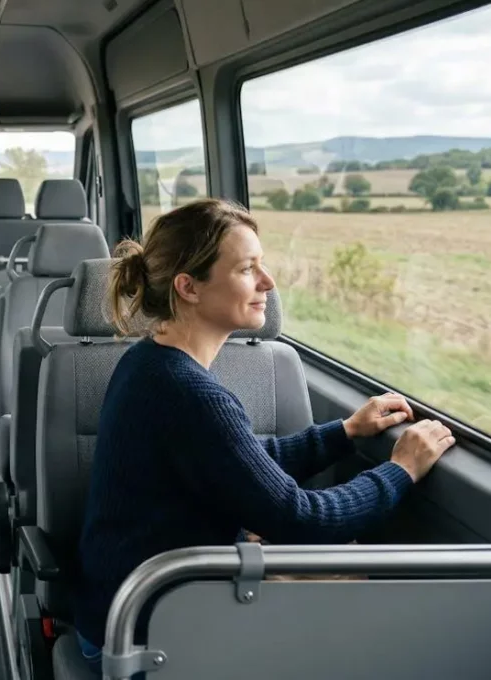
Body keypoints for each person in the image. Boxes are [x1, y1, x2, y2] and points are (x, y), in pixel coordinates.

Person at [72, 198, 455, 674]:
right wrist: (401, 470)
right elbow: (302, 521)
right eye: (248, 269)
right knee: (360, 592)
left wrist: (345, 432)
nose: (268, 283)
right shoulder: (187, 392)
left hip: (136, 607)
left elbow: (236, 459)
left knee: (344, 577)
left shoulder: (151, 363)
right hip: (149, 632)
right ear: (188, 287)